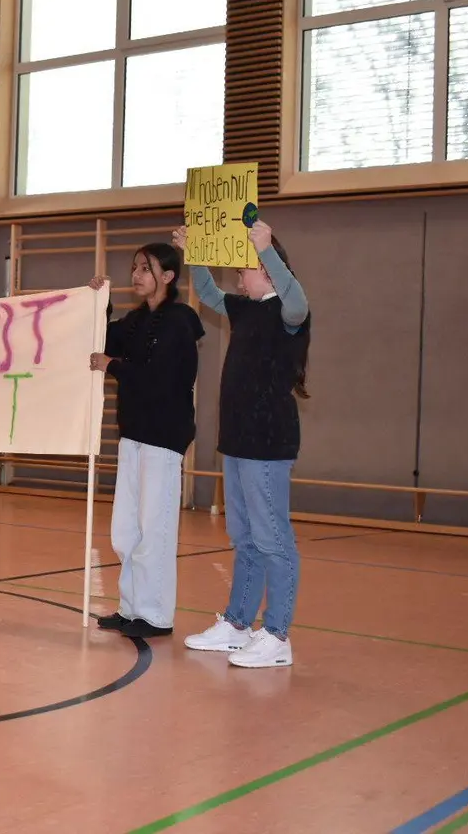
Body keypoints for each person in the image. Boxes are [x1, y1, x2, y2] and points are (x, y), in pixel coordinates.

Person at [176, 220, 311, 669]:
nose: (238, 276)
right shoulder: (245, 308)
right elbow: (211, 295)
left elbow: (297, 299)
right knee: (245, 538)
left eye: (246, 268)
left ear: (270, 272)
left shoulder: (291, 312)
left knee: (274, 540)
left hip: (267, 442)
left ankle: (277, 635)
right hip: (236, 441)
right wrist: (194, 255)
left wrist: (266, 249)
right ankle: (237, 625)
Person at [87, 243, 204, 639]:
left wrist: (114, 366)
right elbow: (105, 341)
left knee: (154, 527)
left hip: (163, 437)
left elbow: (160, 376)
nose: (136, 275)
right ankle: (131, 608)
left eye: (145, 268)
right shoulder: (136, 321)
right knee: (126, 530)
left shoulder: (181, 321)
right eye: (134, 267)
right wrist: (100, 302)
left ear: (168, 276)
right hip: (133, 434)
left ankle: (155, 616)